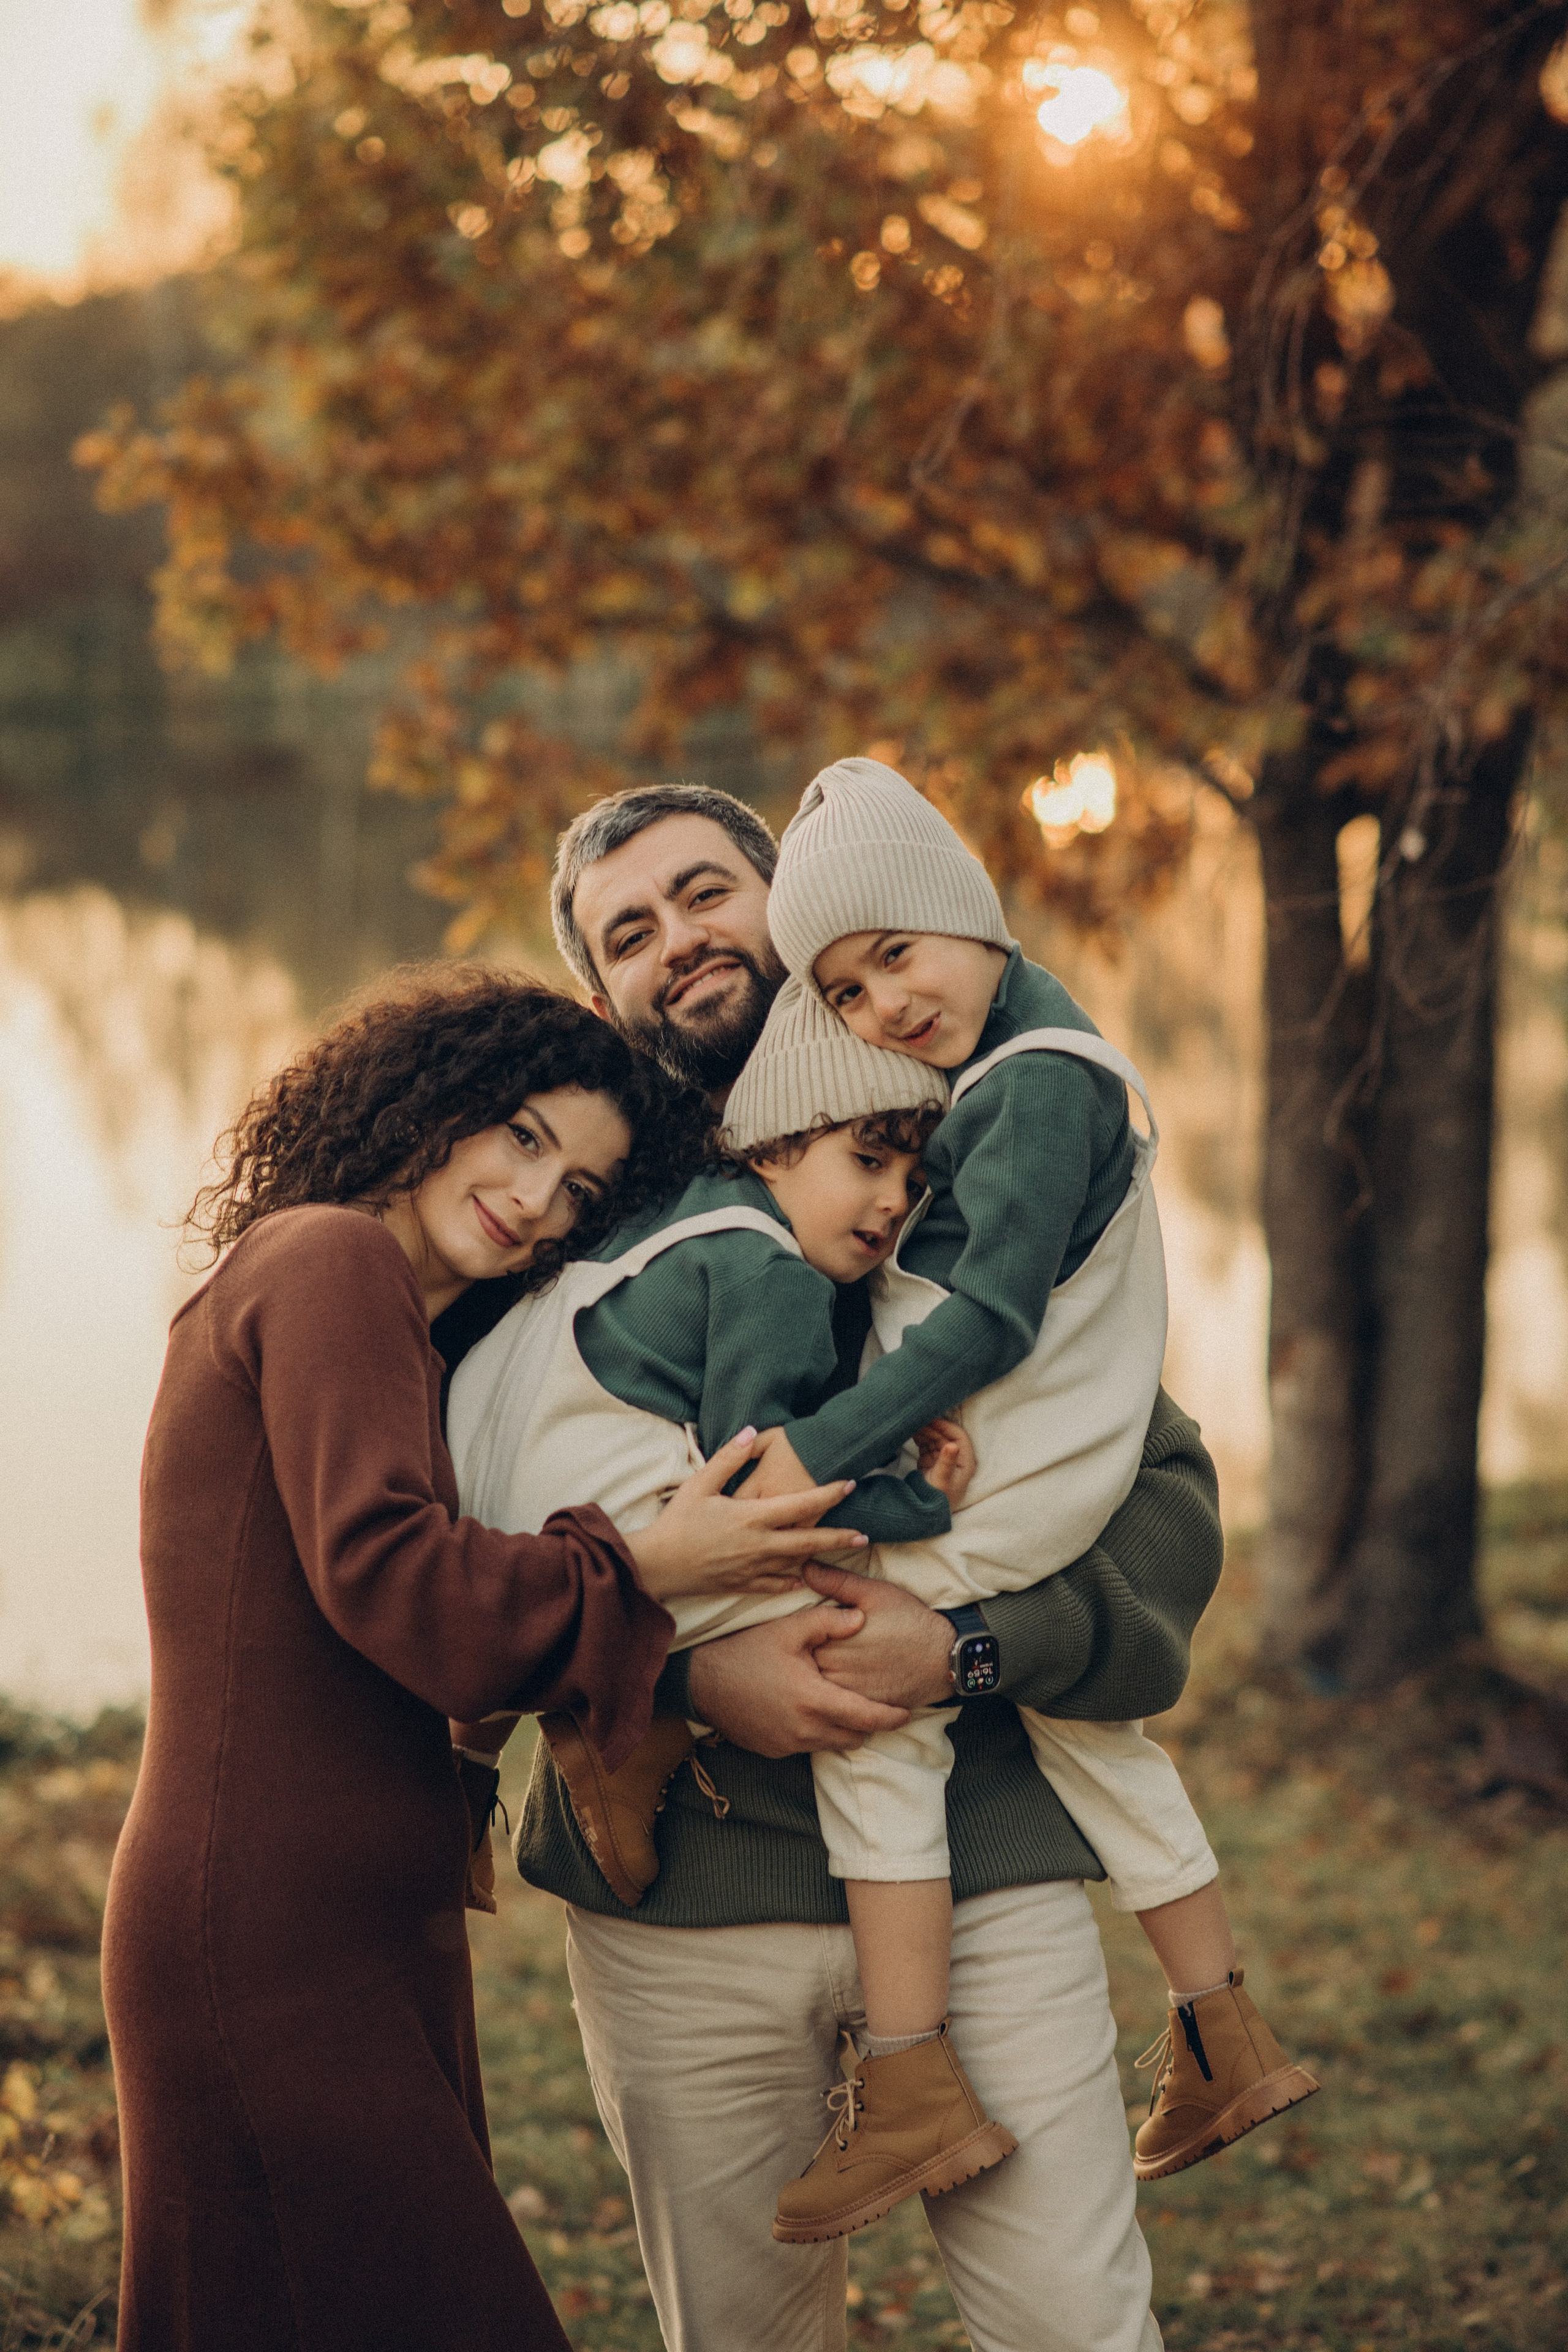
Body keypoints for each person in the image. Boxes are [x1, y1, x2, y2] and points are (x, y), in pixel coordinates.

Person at [480, 787, 1229, 2352]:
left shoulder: (966, 1162)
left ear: (793, 902)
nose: (680, 940)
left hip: (986, 1866)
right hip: (681, 1893)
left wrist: (957, 1649)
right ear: (601, 995)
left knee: (1073, 2325)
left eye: (706, 894)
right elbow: (451, 1533)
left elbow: (1151, 1505)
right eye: (630, 934)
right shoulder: (555, 1203)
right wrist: (679, 1672)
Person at [100, 967, 869, 2352]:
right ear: (434, 1102)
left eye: (580, 1188)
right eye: (521, 1135)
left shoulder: (391, 1314)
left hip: (347, 1921)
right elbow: (398, 1585)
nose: (536, 1196)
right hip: (270, 1928)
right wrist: (645, 1563)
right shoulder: (329, 1260)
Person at [742, 758, 1316, 2225]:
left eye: (897, 953)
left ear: (967, 912)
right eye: (848, 995)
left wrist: (824, 1449)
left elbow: (989, 1323)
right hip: (1044, 1464)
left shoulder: (1041, 1088)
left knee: (862, 1705)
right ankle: (1220, 2033)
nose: (887, 1005)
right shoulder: (1034, 1053)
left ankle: (913, 2080)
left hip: (1027, 1479)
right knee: (1091, 1736)